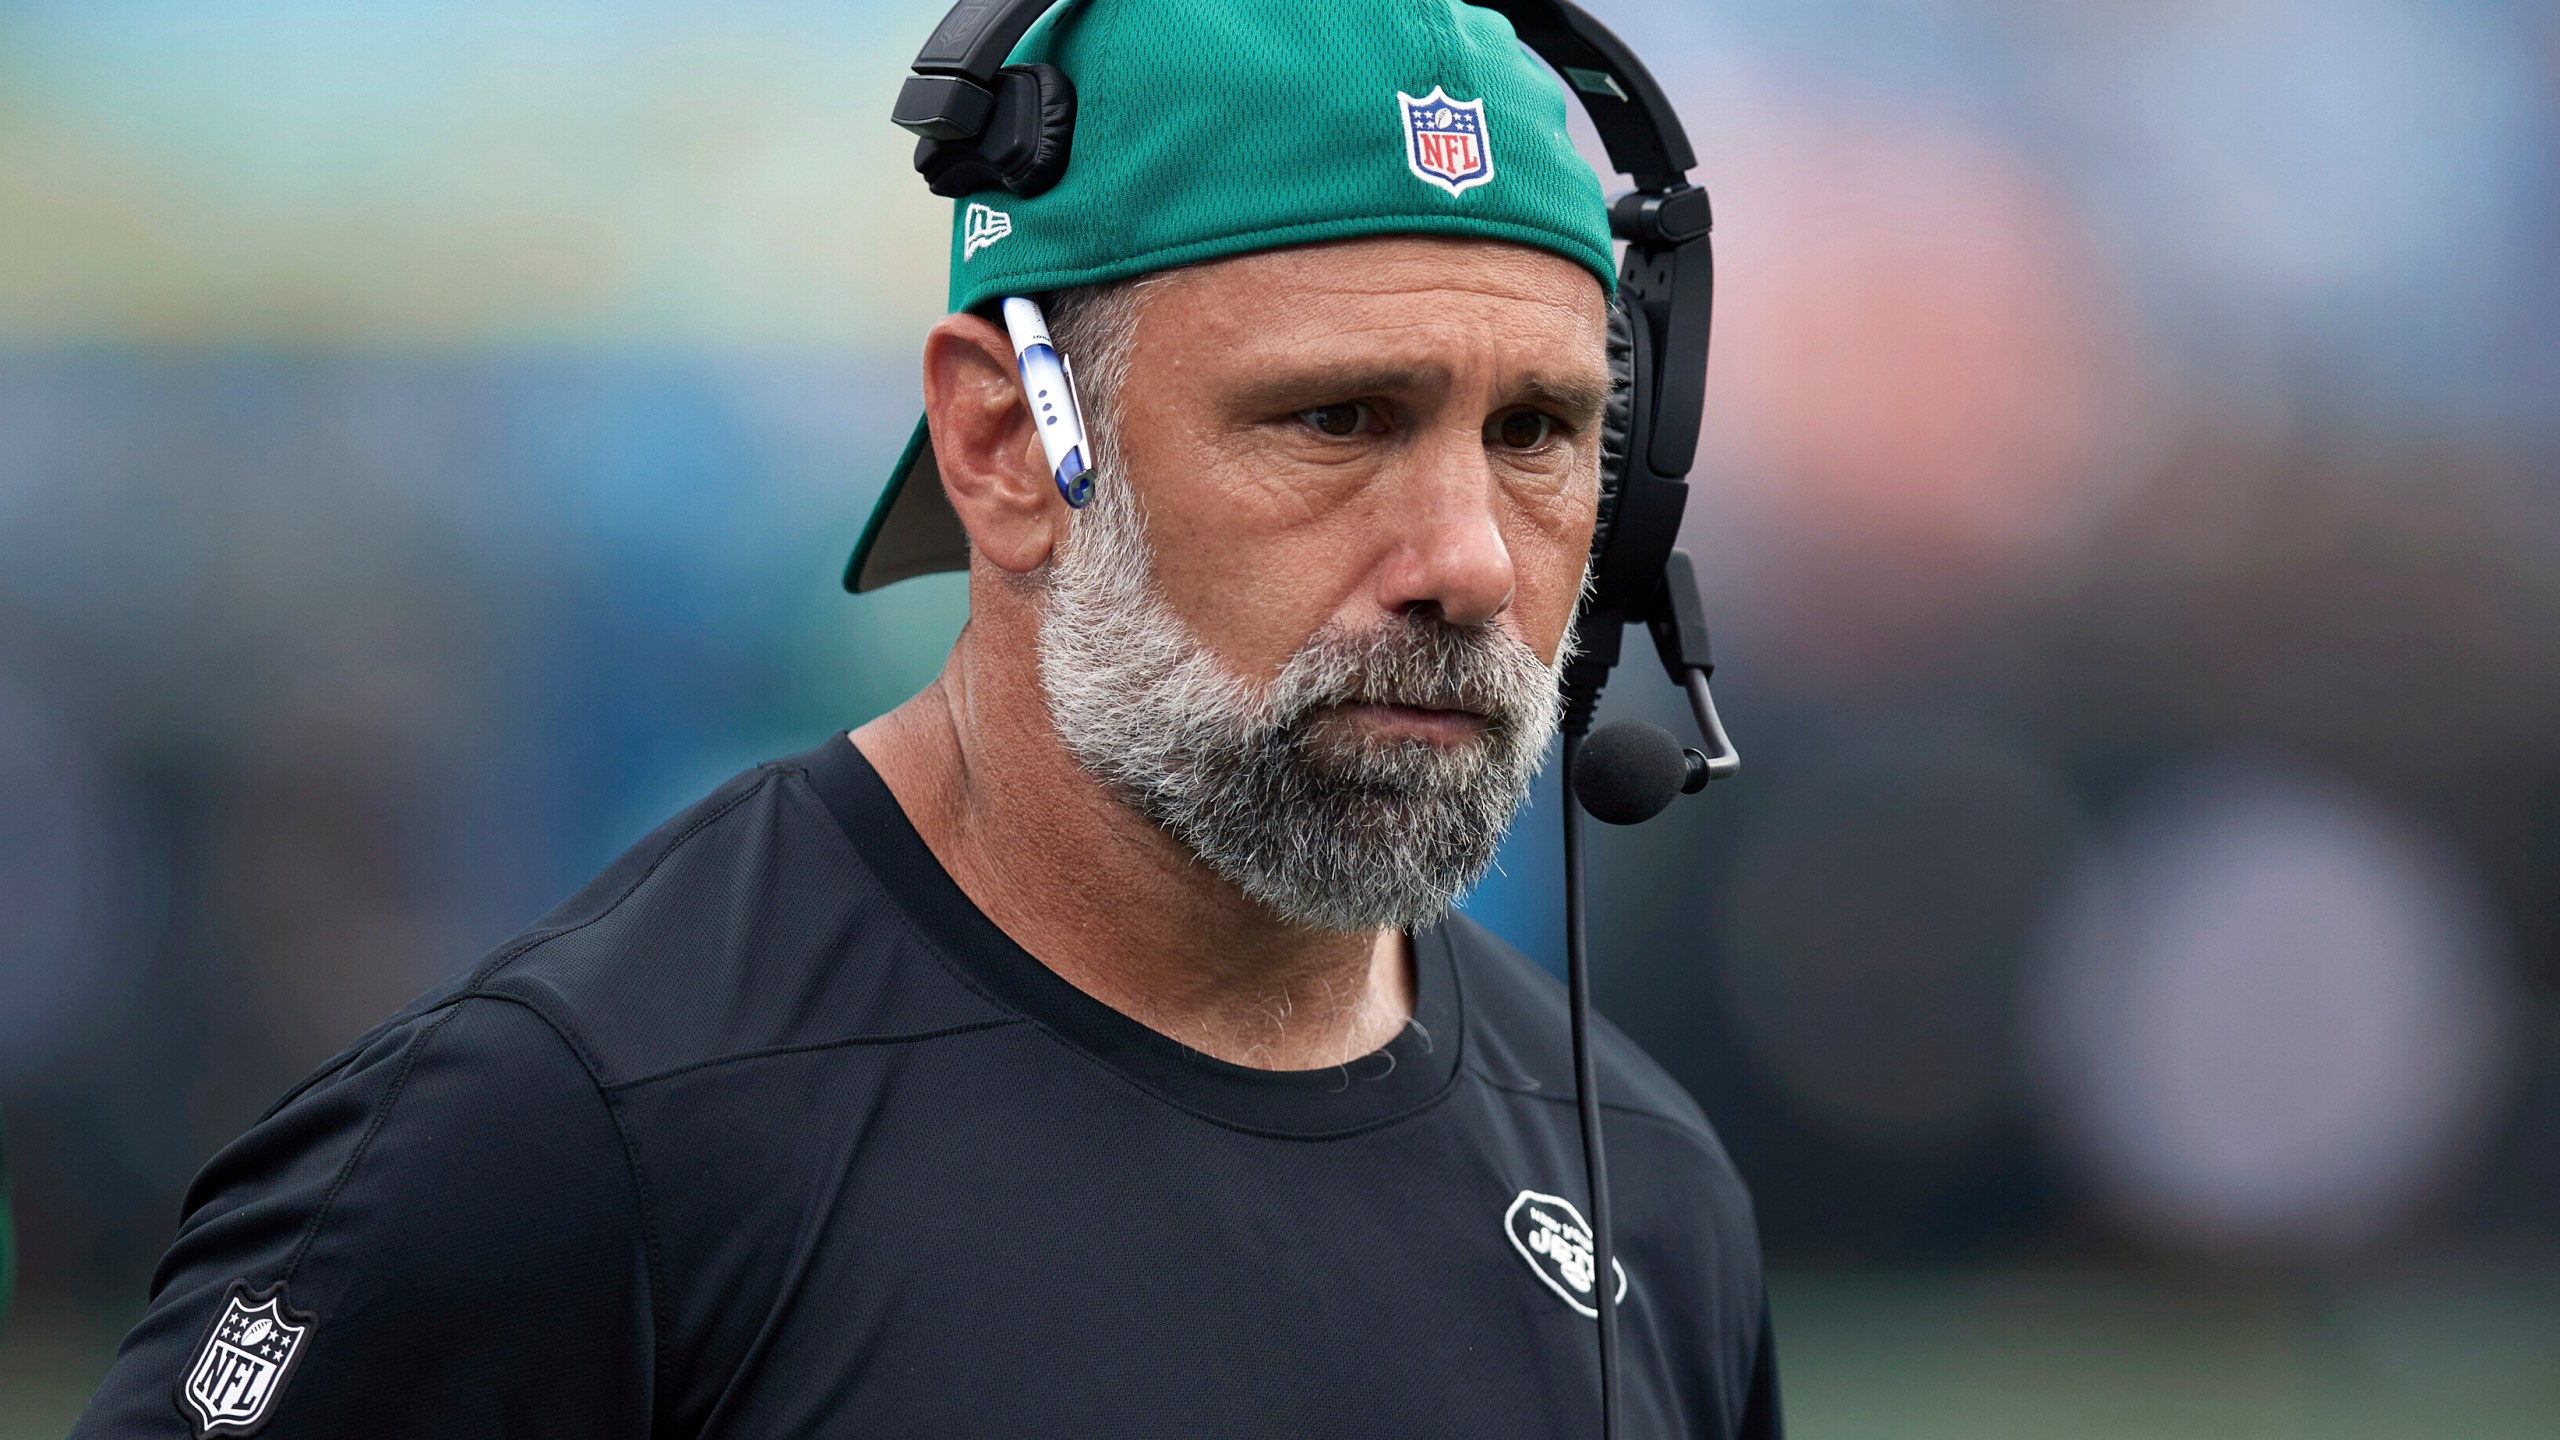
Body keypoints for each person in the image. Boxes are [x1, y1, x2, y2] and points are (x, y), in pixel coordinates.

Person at [72, 1, 1776, 1435]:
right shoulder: (564, 1136)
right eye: (1336, 417)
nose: (1469, 561)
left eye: (1541, 433)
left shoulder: (1649, 1182)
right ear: (1006, 447)